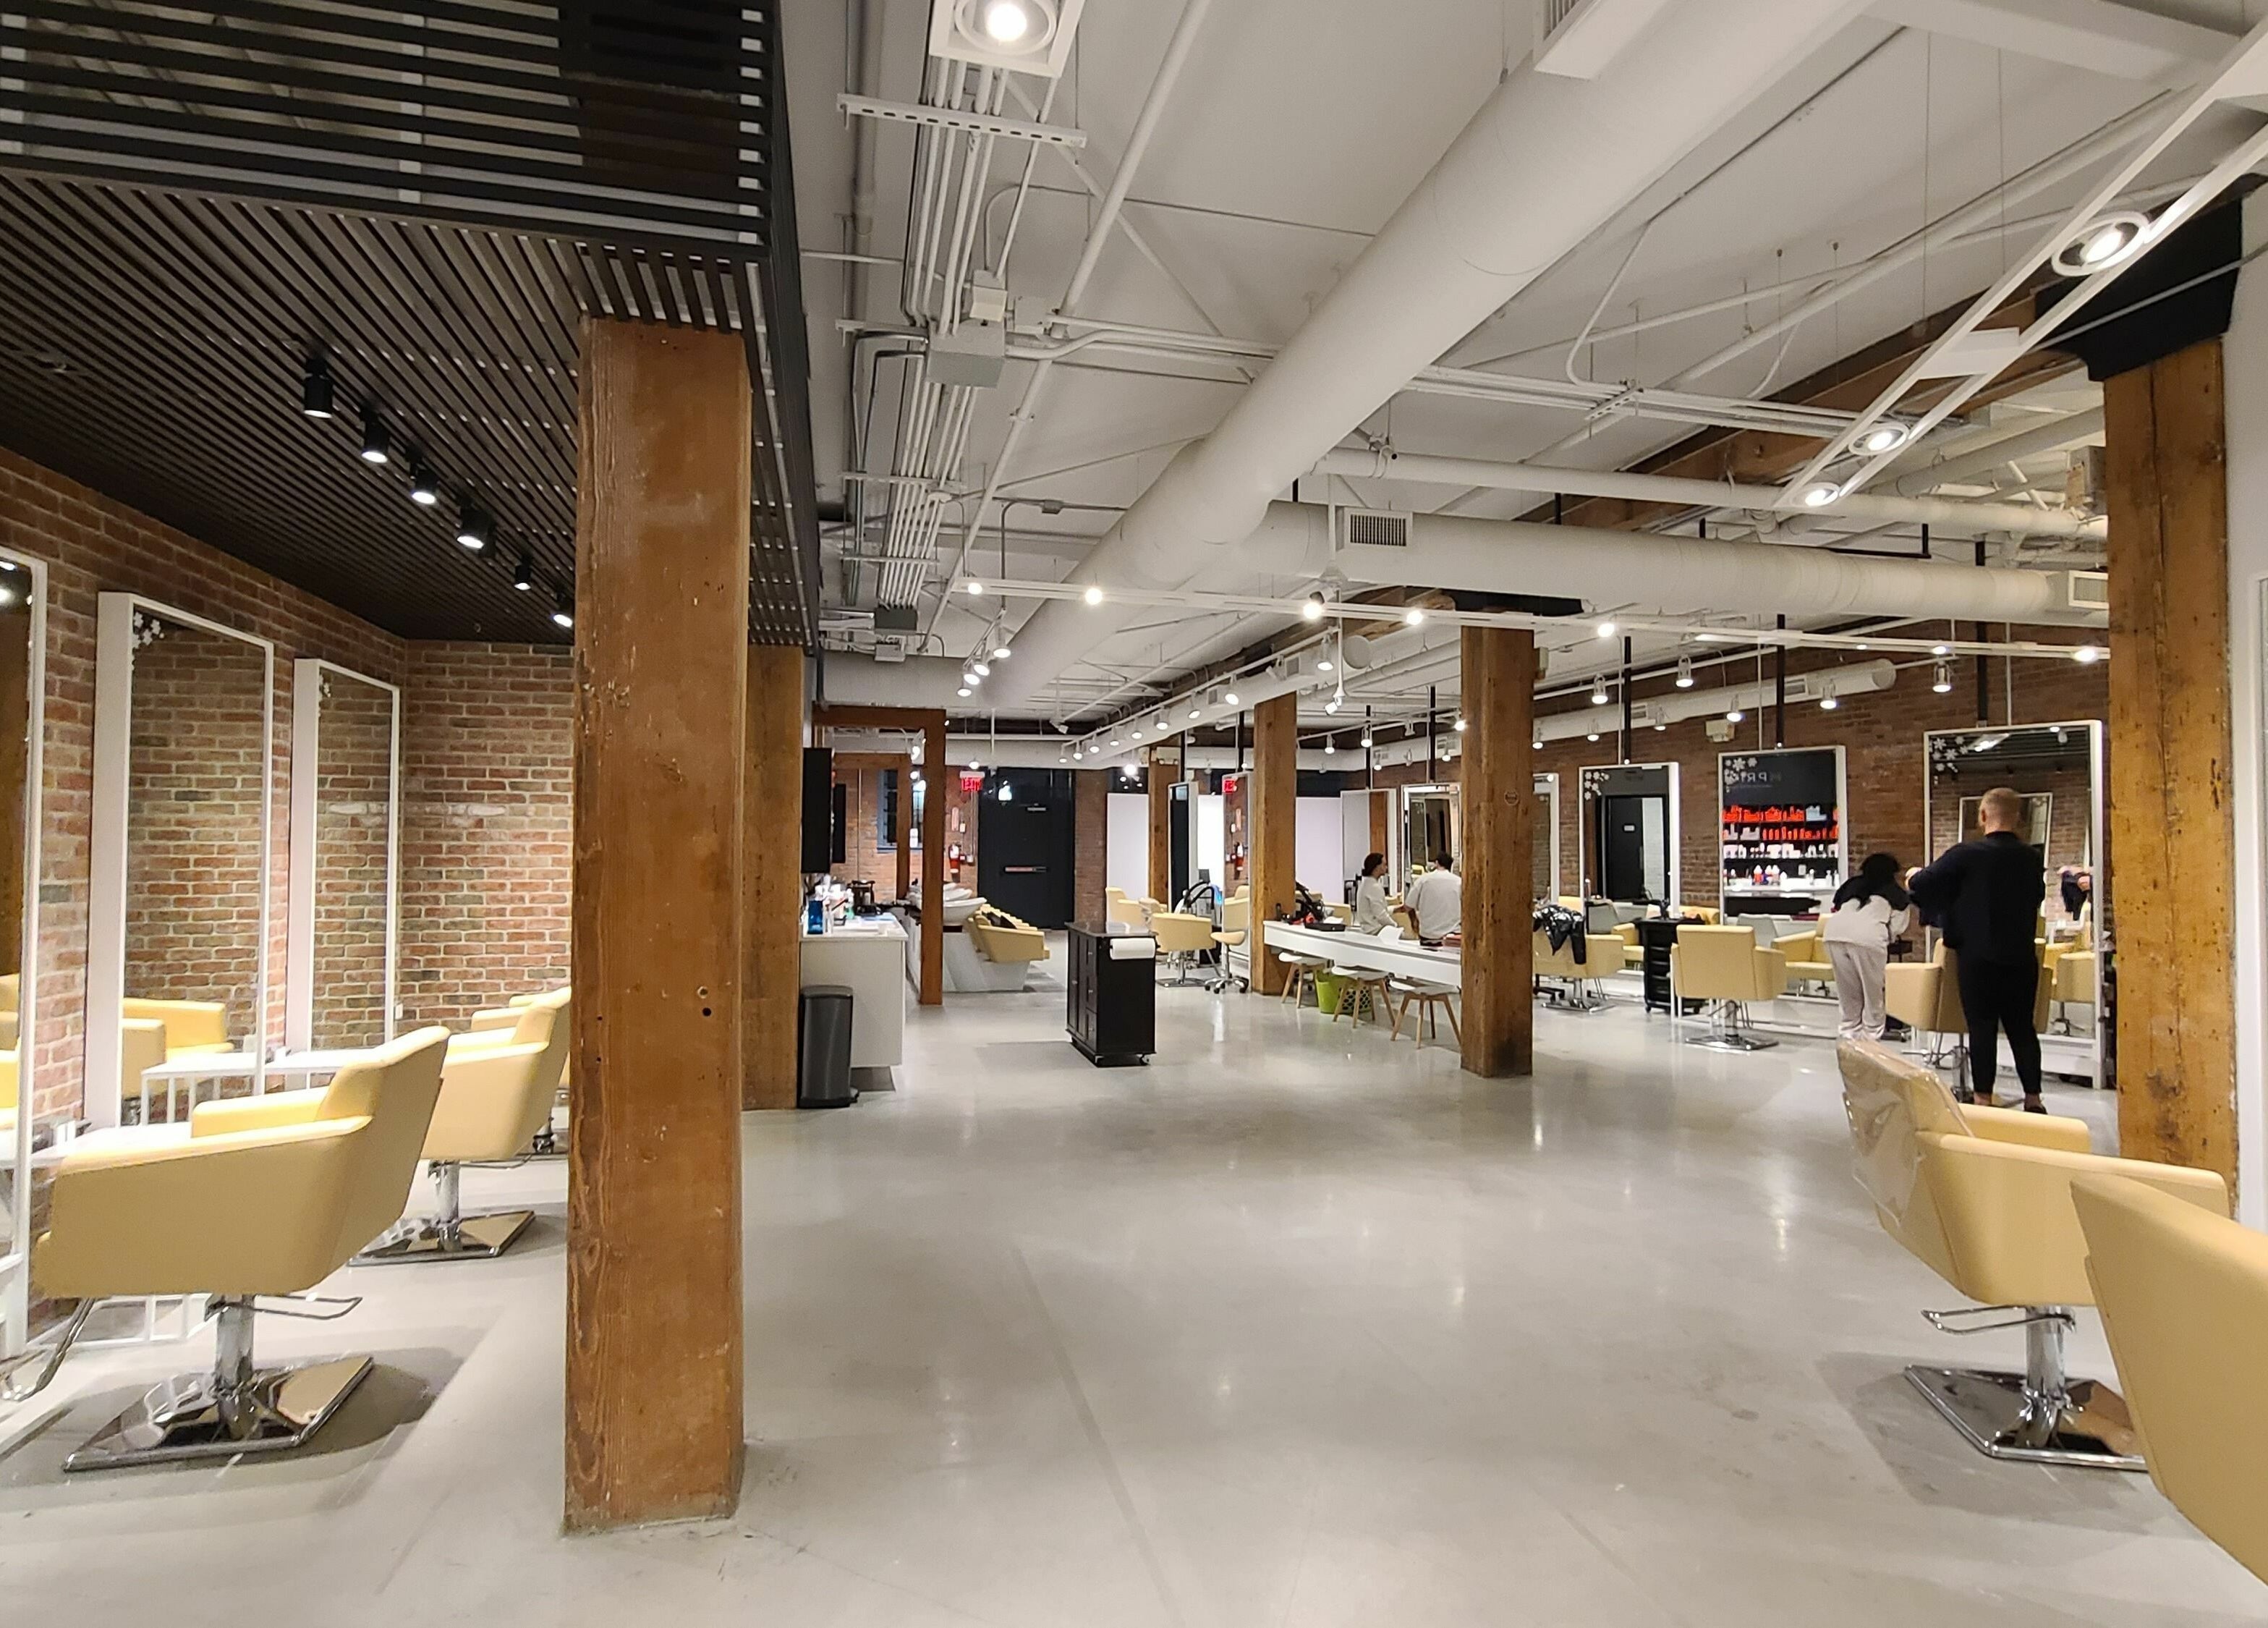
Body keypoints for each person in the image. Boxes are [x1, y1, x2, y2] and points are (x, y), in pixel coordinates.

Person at [1908, 786, 2049, 1111]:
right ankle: (2034, 1098)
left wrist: (1914, 875)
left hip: (1977, 956)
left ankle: (1983, 1098)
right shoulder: (2031, 858)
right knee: (2022, 1028)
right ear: (2019, 818)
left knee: (1981, 1027)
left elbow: (1921, 884)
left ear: (1983, 815)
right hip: (2021, 956)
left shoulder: (1965, 855)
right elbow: (2037, 897)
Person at [1821, 852, 1909, 1042]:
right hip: (1868, 938)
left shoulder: (1851, 885)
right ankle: (1871, 1036)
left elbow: (1836, 907)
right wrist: (1887, 937)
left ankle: (1848, 1033)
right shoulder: (1896, 893)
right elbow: (1897, 927)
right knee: (1873, 992)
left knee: (1847, 992)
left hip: (1833, 933)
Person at [1404, 854, 1463, 941]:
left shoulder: (1423, 880)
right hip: (1453, 935)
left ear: (1437, 863)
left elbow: (1408, 906)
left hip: (1428, 935)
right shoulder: (1459, 882)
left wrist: (1414, 922)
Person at [1351, 851, 1396, 934]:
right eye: (1384, 865)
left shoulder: (1364, 884)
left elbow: (1373, 910)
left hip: (1367, 930)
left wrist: (1395, 909)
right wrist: (1395, 927)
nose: (1386, 868)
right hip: (1376, 931)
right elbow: (1381, 915)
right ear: (1377, 867)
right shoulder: (1374, 887)